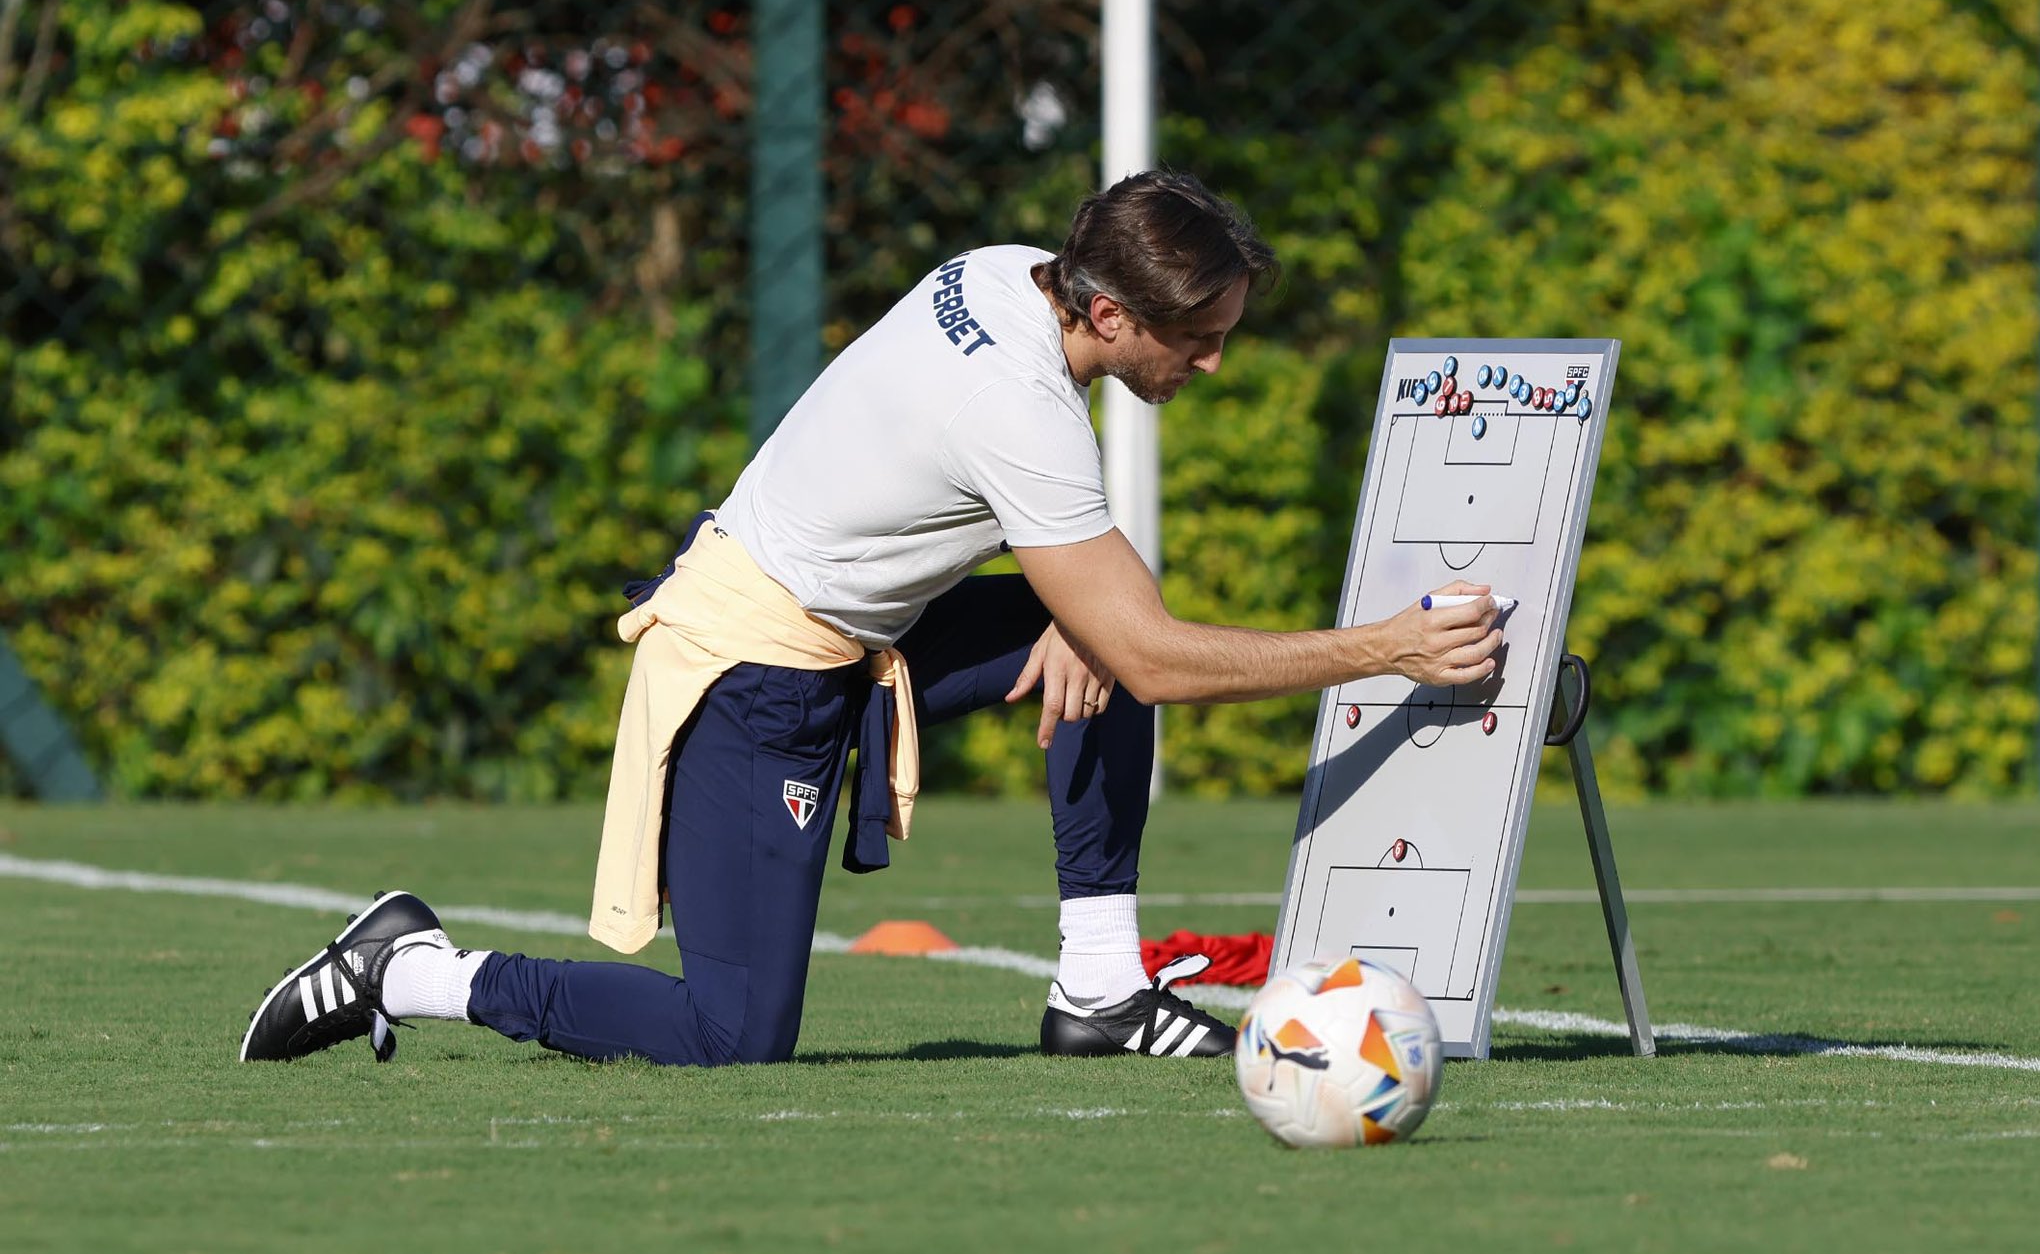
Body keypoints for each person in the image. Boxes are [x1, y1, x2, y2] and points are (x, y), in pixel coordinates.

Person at [238, 170, 1505, 1069]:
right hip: (757, 668)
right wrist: (1383, 647)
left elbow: (1114, 629)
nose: (1214, 362)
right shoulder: (1019, 405)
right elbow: (1157, 663)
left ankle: (1101, 992)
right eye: (1200, 338)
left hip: (864, 628)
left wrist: (1093, 624)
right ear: (1109, 313)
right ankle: (412, 969)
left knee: (1103, 637)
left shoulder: (1010, 272)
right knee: (730, 1035)